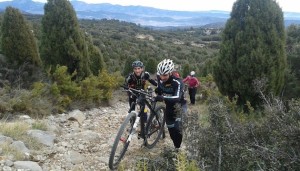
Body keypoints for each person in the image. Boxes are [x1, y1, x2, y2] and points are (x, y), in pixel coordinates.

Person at [155, 59, 187, 149]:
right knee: (171, 130)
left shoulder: (178, 82)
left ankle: (178, 148)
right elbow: (160, 88)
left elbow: (177, 98)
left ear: (170, 73)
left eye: (165, 75)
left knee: (177, 128)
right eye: (161, 75)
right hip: (169, 106)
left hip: (179, 106)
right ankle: (176, 147)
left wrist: (163, 98)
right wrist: (158, 91)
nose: (162, 77)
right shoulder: (160, 79)